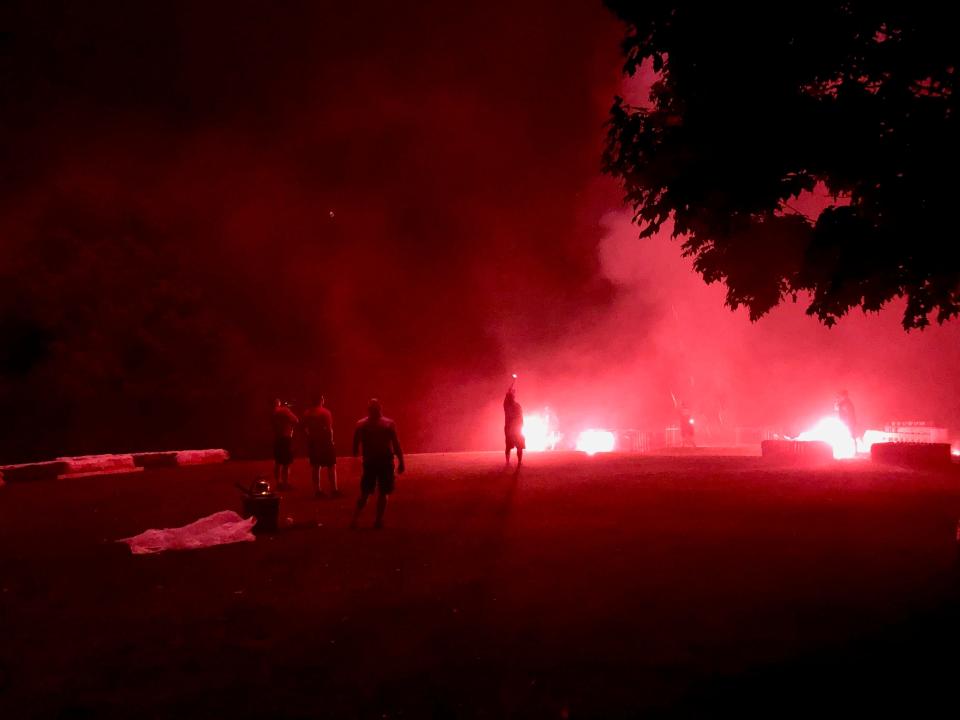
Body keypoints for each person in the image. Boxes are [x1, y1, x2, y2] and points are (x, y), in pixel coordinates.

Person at [350, 398, 404, 529]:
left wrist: (356, 459)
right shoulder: (388, 424)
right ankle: (378, 520)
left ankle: (355, 519)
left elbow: (355, 445)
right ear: (380, 409)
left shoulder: (361, 424)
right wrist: (401, 461)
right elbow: (396, 444)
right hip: (384, 462)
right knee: (383, 491)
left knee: (366, 492)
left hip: (370, 462)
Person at [302, 393, 339, 498]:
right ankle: (334, 489)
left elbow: (304, 428)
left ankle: (317, 490)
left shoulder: (307, 413)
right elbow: (329, 428)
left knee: (315, 466)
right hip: (325, 442)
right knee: (331, 465)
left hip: (313, 441)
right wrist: (331, 440)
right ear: (321, 400)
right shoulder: (325, 412)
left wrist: (309, 436)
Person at [271, 398, 299, 490]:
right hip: (286, 437)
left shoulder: (272, 413)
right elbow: (296, 420)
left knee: (278, 461)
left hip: (277, 438)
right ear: (278, 403)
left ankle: (278, 482)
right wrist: (291, 426)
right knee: (286, 462)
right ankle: (285, 483)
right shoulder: (284, 410)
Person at [504, 388, 525, 467]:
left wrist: (522, 424)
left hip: (516, 428)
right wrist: (509, 390)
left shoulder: (515, 405)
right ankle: (509, 462)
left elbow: (521, 415)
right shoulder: (507, 406)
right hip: (511, 428)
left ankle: (517, 462)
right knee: (510, 446)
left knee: (517, 445)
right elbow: (506, 398)